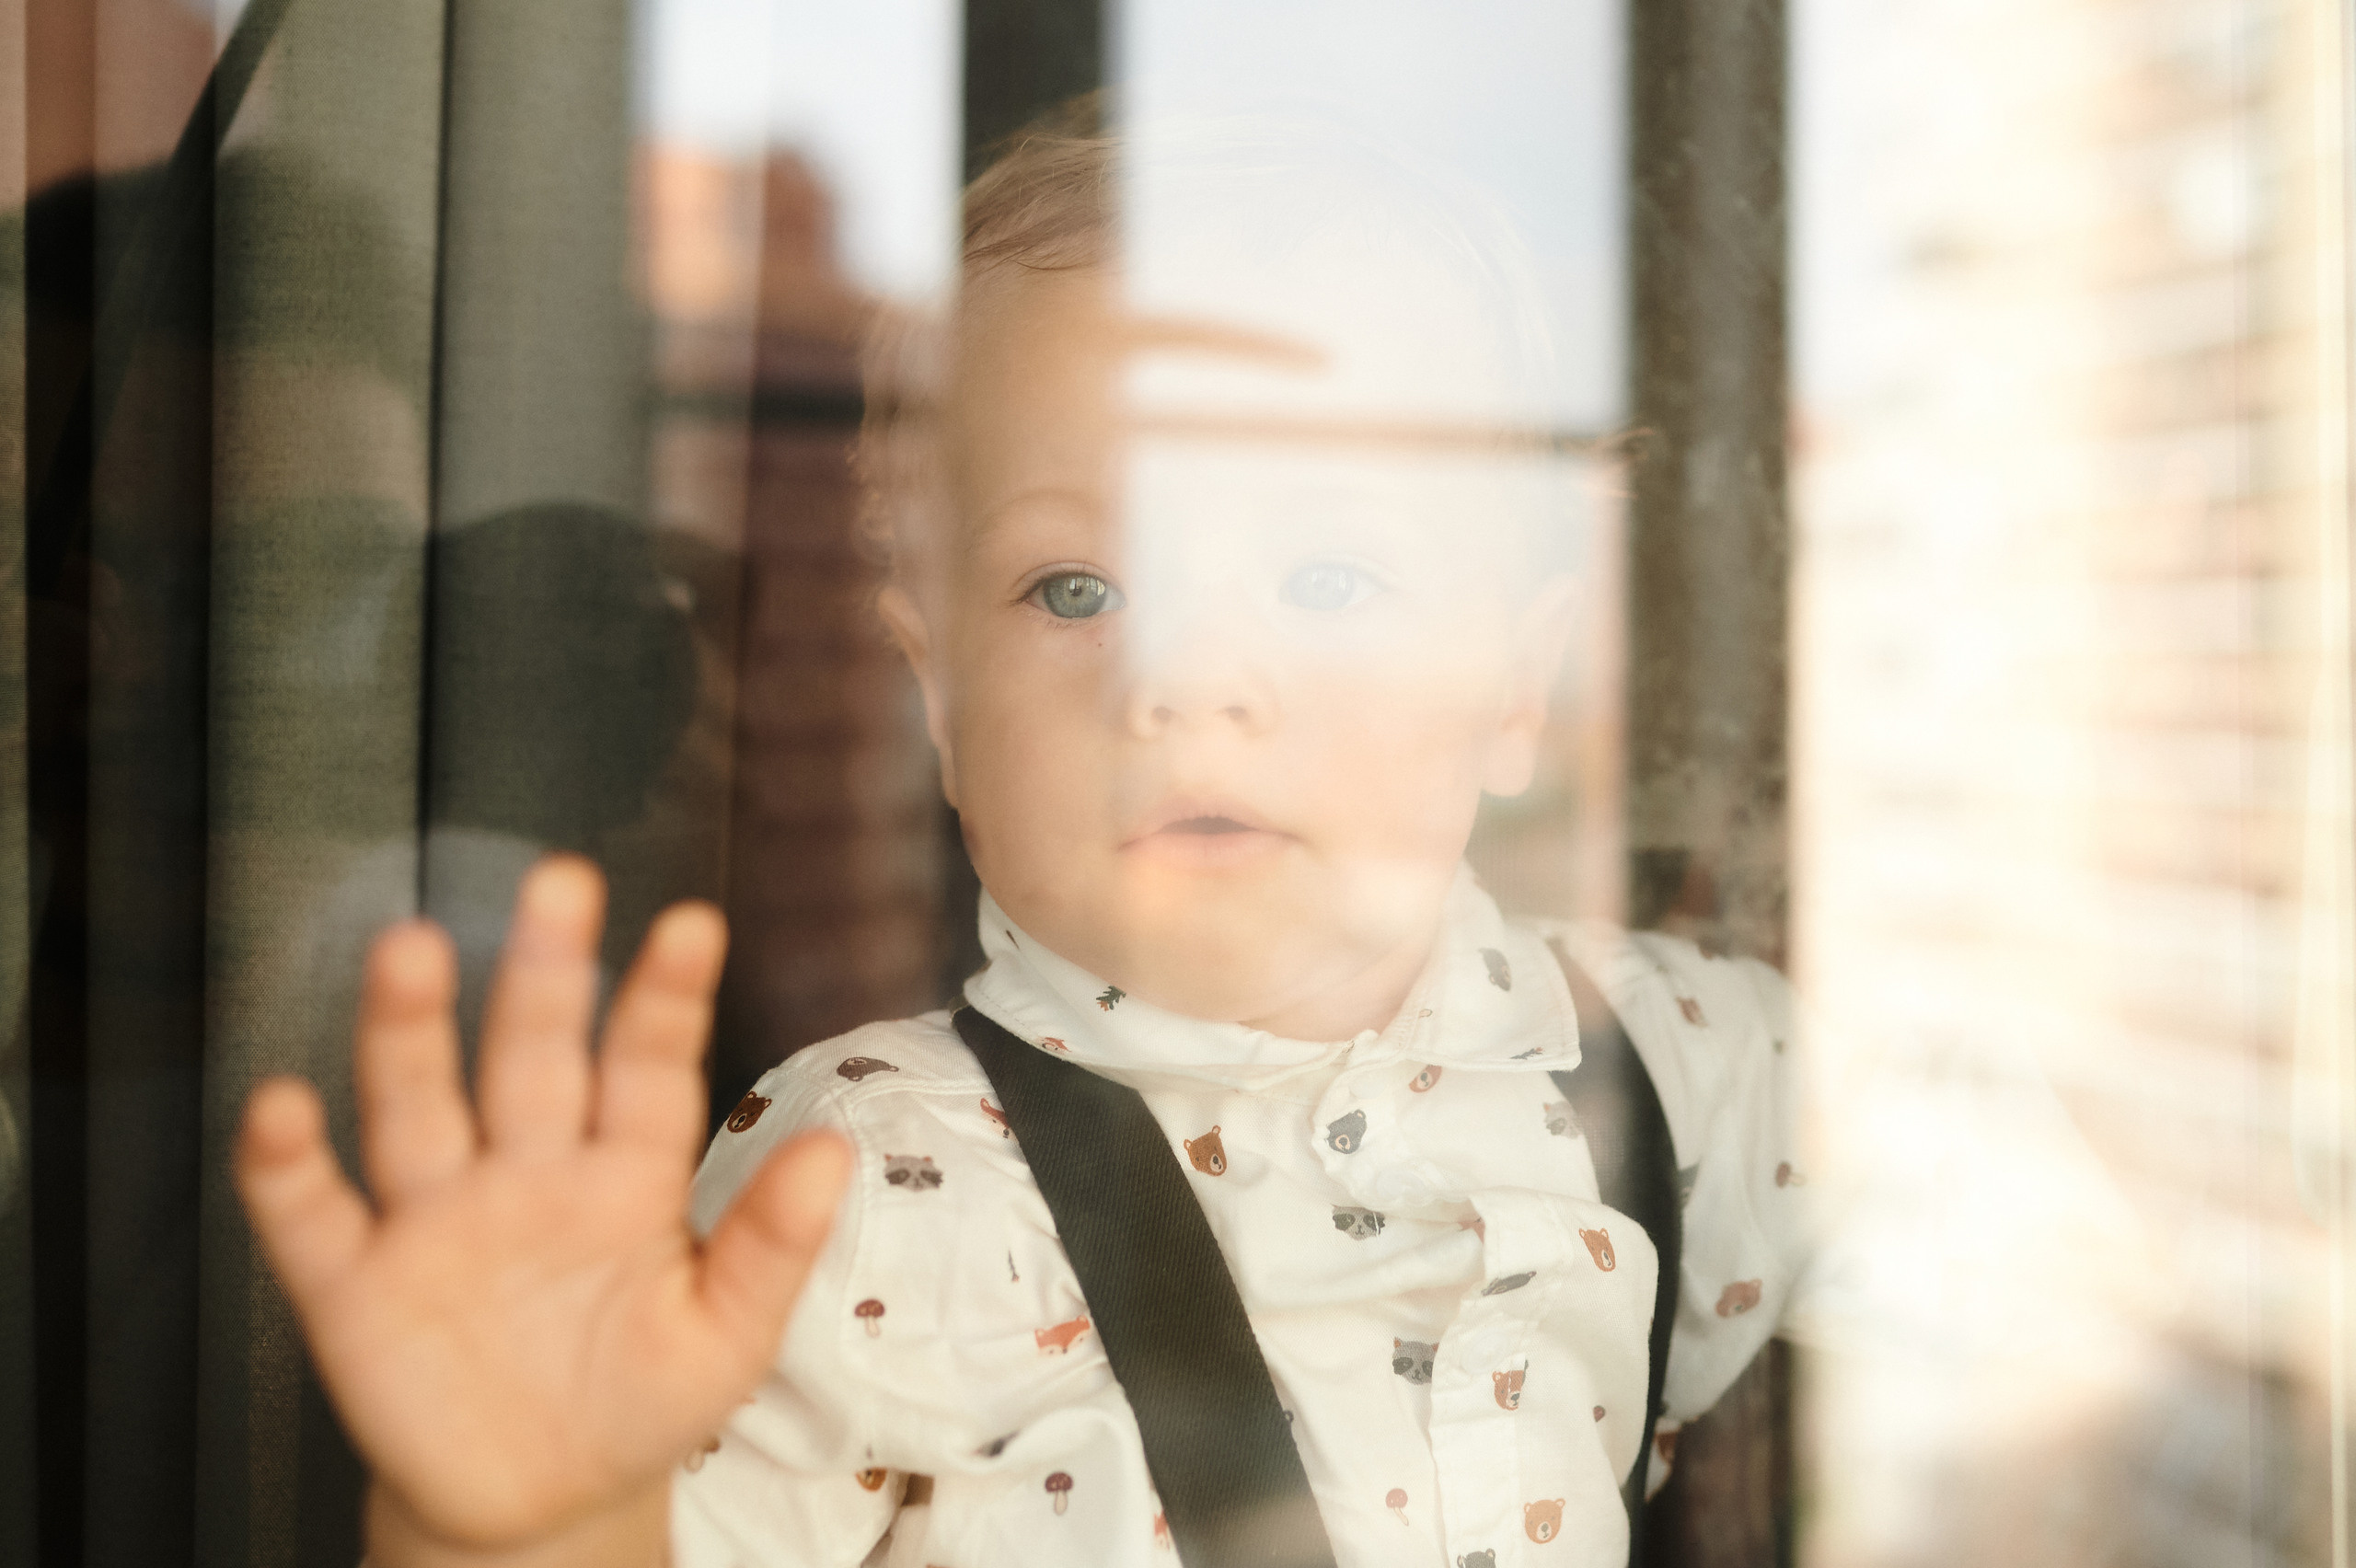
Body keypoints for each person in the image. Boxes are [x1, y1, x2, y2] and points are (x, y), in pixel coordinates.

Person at [237, 106, 1807, 1568]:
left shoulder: (1677, 1069)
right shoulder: (869, 1179)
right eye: (1077, 590)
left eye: (1328, 581)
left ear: (1521, 684)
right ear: (939, 693)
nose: (1188, 678)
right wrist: (528, 1526)